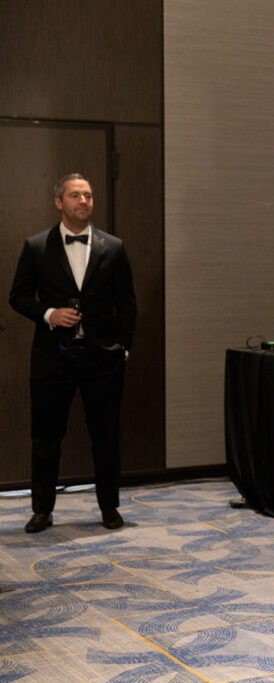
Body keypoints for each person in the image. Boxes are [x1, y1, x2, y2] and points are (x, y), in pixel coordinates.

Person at [8, 173, 137, 533]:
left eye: (89, 196)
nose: (84, 201)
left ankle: (109, 507)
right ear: (59, 202)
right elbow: (17, 296)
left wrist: (123, 348)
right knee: (46, 438)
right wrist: (49, 314)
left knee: (106, 436)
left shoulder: (114, 247)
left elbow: (127, 303)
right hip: (53, 358)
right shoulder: (36, 246)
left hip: (103, 360)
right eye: (76, 195)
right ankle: (42, 510)